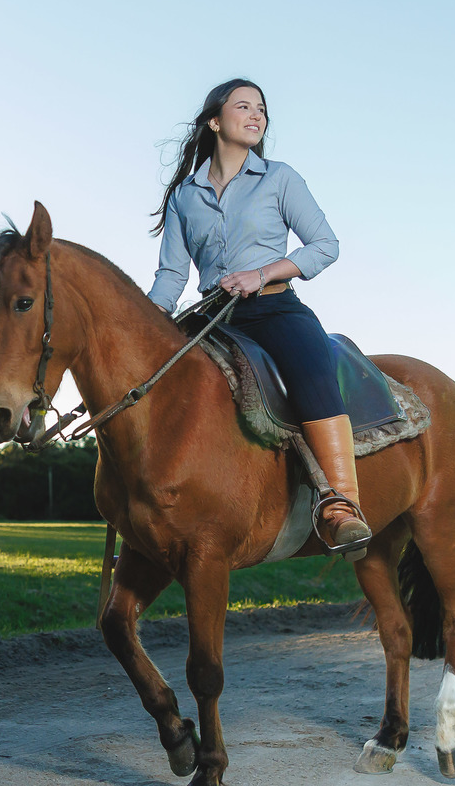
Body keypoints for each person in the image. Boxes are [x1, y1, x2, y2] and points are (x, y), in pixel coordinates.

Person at [146, 77, 370, 557]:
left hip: (273, 306)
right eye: (243, 107)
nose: (256, 116)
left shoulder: (280, 177)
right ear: (214, 121)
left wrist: (260, 272)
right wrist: (145, 323)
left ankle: (341, 507)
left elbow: (324, 246)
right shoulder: (184, 196)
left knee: (313, 372)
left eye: (262, 110)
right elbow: (170, 274)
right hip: (211, 318)